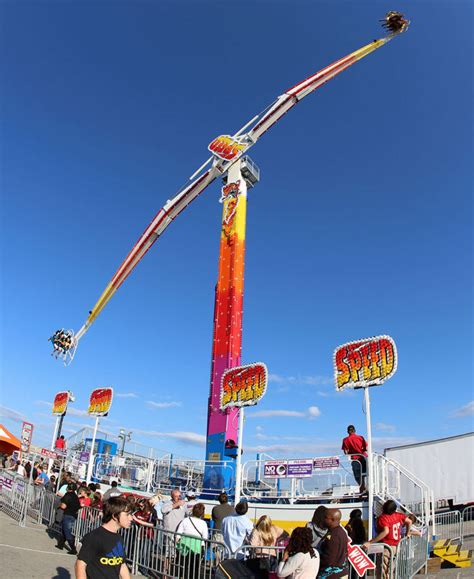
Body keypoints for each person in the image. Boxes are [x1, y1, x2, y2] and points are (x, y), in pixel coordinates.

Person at [75, 495, 133, 578]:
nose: (131, 518)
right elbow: (80, 564)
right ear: (114, 516)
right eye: (127, 514)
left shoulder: (119, 538)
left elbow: (122, 565)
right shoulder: (95, 537)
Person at [363, 500, 412, 579]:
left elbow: (386, 531)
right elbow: (409, 522)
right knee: (391, 570)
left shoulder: (383, 518)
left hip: (386, 547)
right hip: (396, 546)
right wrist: (407, 532)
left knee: (383, 571)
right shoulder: (399, 515)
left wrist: (370, 542)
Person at [175, 503, 209, 577]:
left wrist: (176, 546)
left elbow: (178, 534)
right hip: (196, 548)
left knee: (183, 566)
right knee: (194, 568)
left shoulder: (185, 520)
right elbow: (205, 537)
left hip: (184, 547)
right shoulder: (203, 523)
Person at [318, 509, 349, 579]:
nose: (323, 519)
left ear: (332, 519)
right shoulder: (341, 531)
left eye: (325, 517)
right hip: (340, 573)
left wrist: (315, 560)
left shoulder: (334, 535)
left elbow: (329, 558)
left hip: (332, 575)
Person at [56, 482, 81, 555]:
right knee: (64, 530)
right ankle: (60, 545)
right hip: (73, 515)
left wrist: (59, 505)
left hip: (68, 515)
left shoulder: (67, 495)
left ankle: (73, 549)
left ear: (69, 488)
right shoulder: (75, 496)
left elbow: (63, 506)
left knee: (67, 532)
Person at [341, 425, 367, 492]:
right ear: (354, 430)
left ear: (348, 431)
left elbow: (345, 452)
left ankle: (363, 488)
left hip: (355, 459)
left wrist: (350, 452)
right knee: (365, 474)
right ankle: (365, 489)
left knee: (358, 476)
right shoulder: (360, 437)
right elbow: (365, 448)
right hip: (363, 457)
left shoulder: (345, 440)